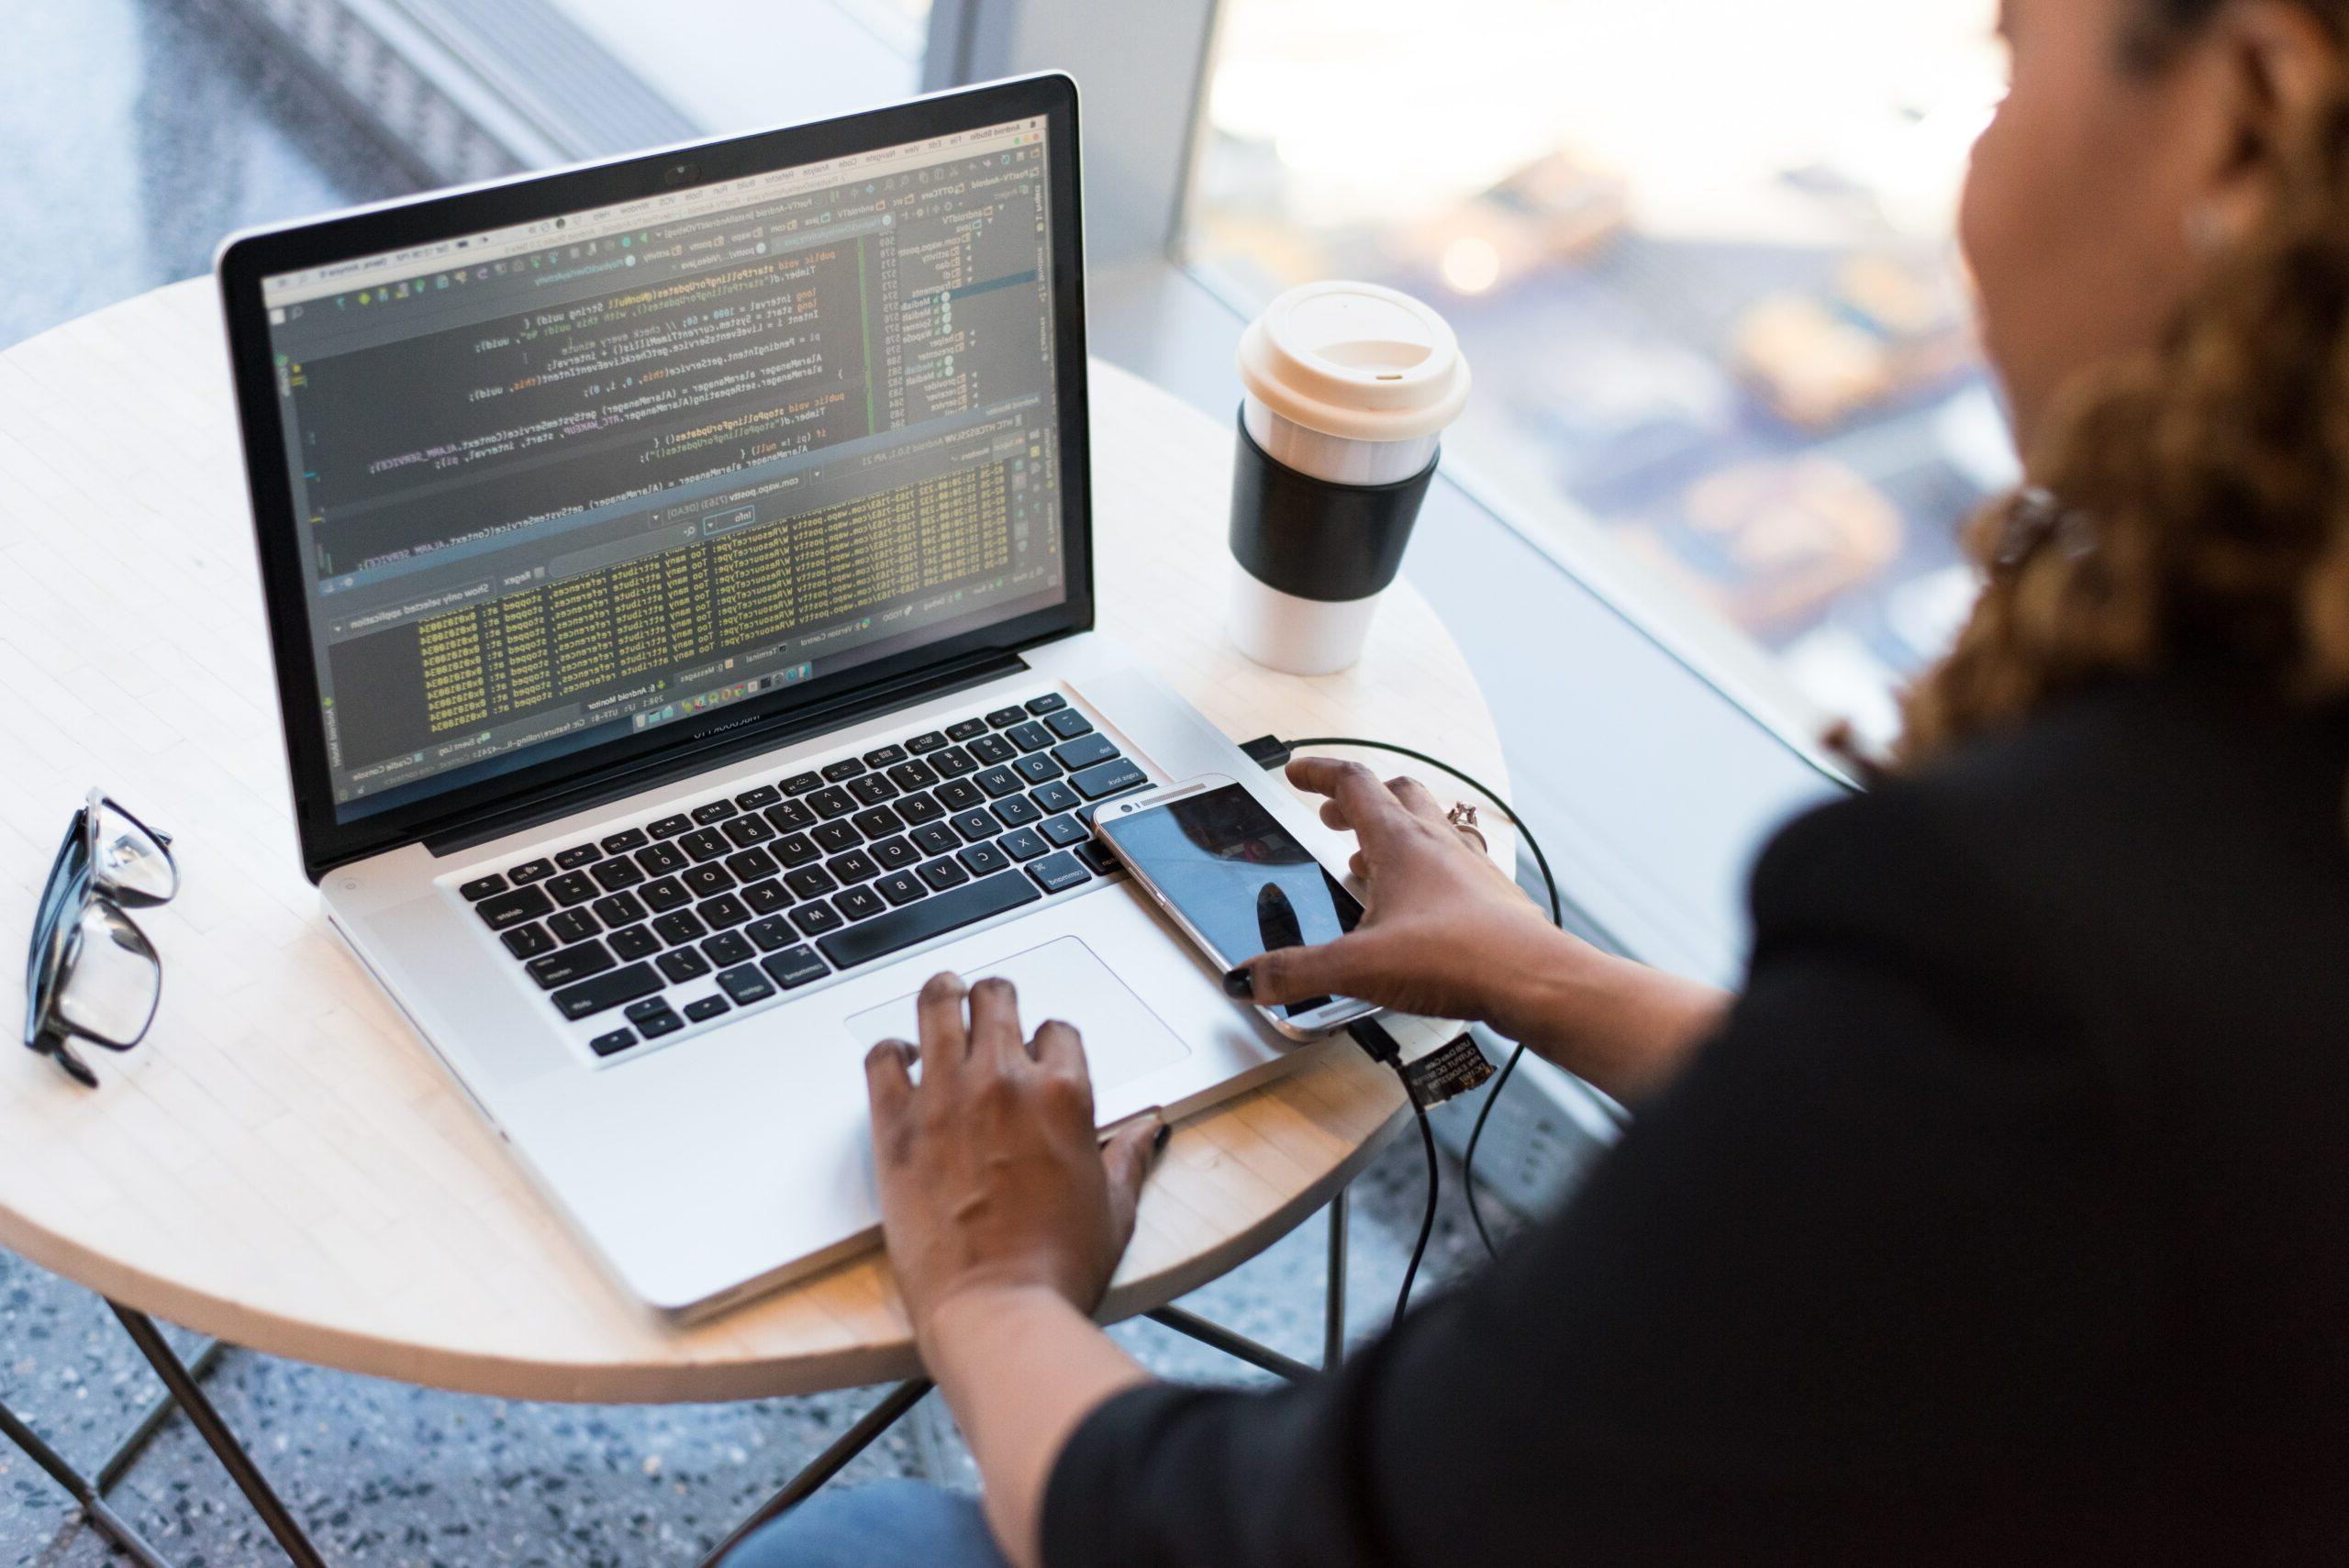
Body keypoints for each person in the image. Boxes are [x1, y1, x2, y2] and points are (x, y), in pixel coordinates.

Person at [729, 1, 2349, 1562]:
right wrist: (1546, 974)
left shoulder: (2050, 913)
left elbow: (1279, 1534)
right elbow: (2002, 1151)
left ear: (2247, 123)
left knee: (852, 1547)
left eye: (2014, 60)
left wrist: (996, 1287)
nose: (1978, 172)